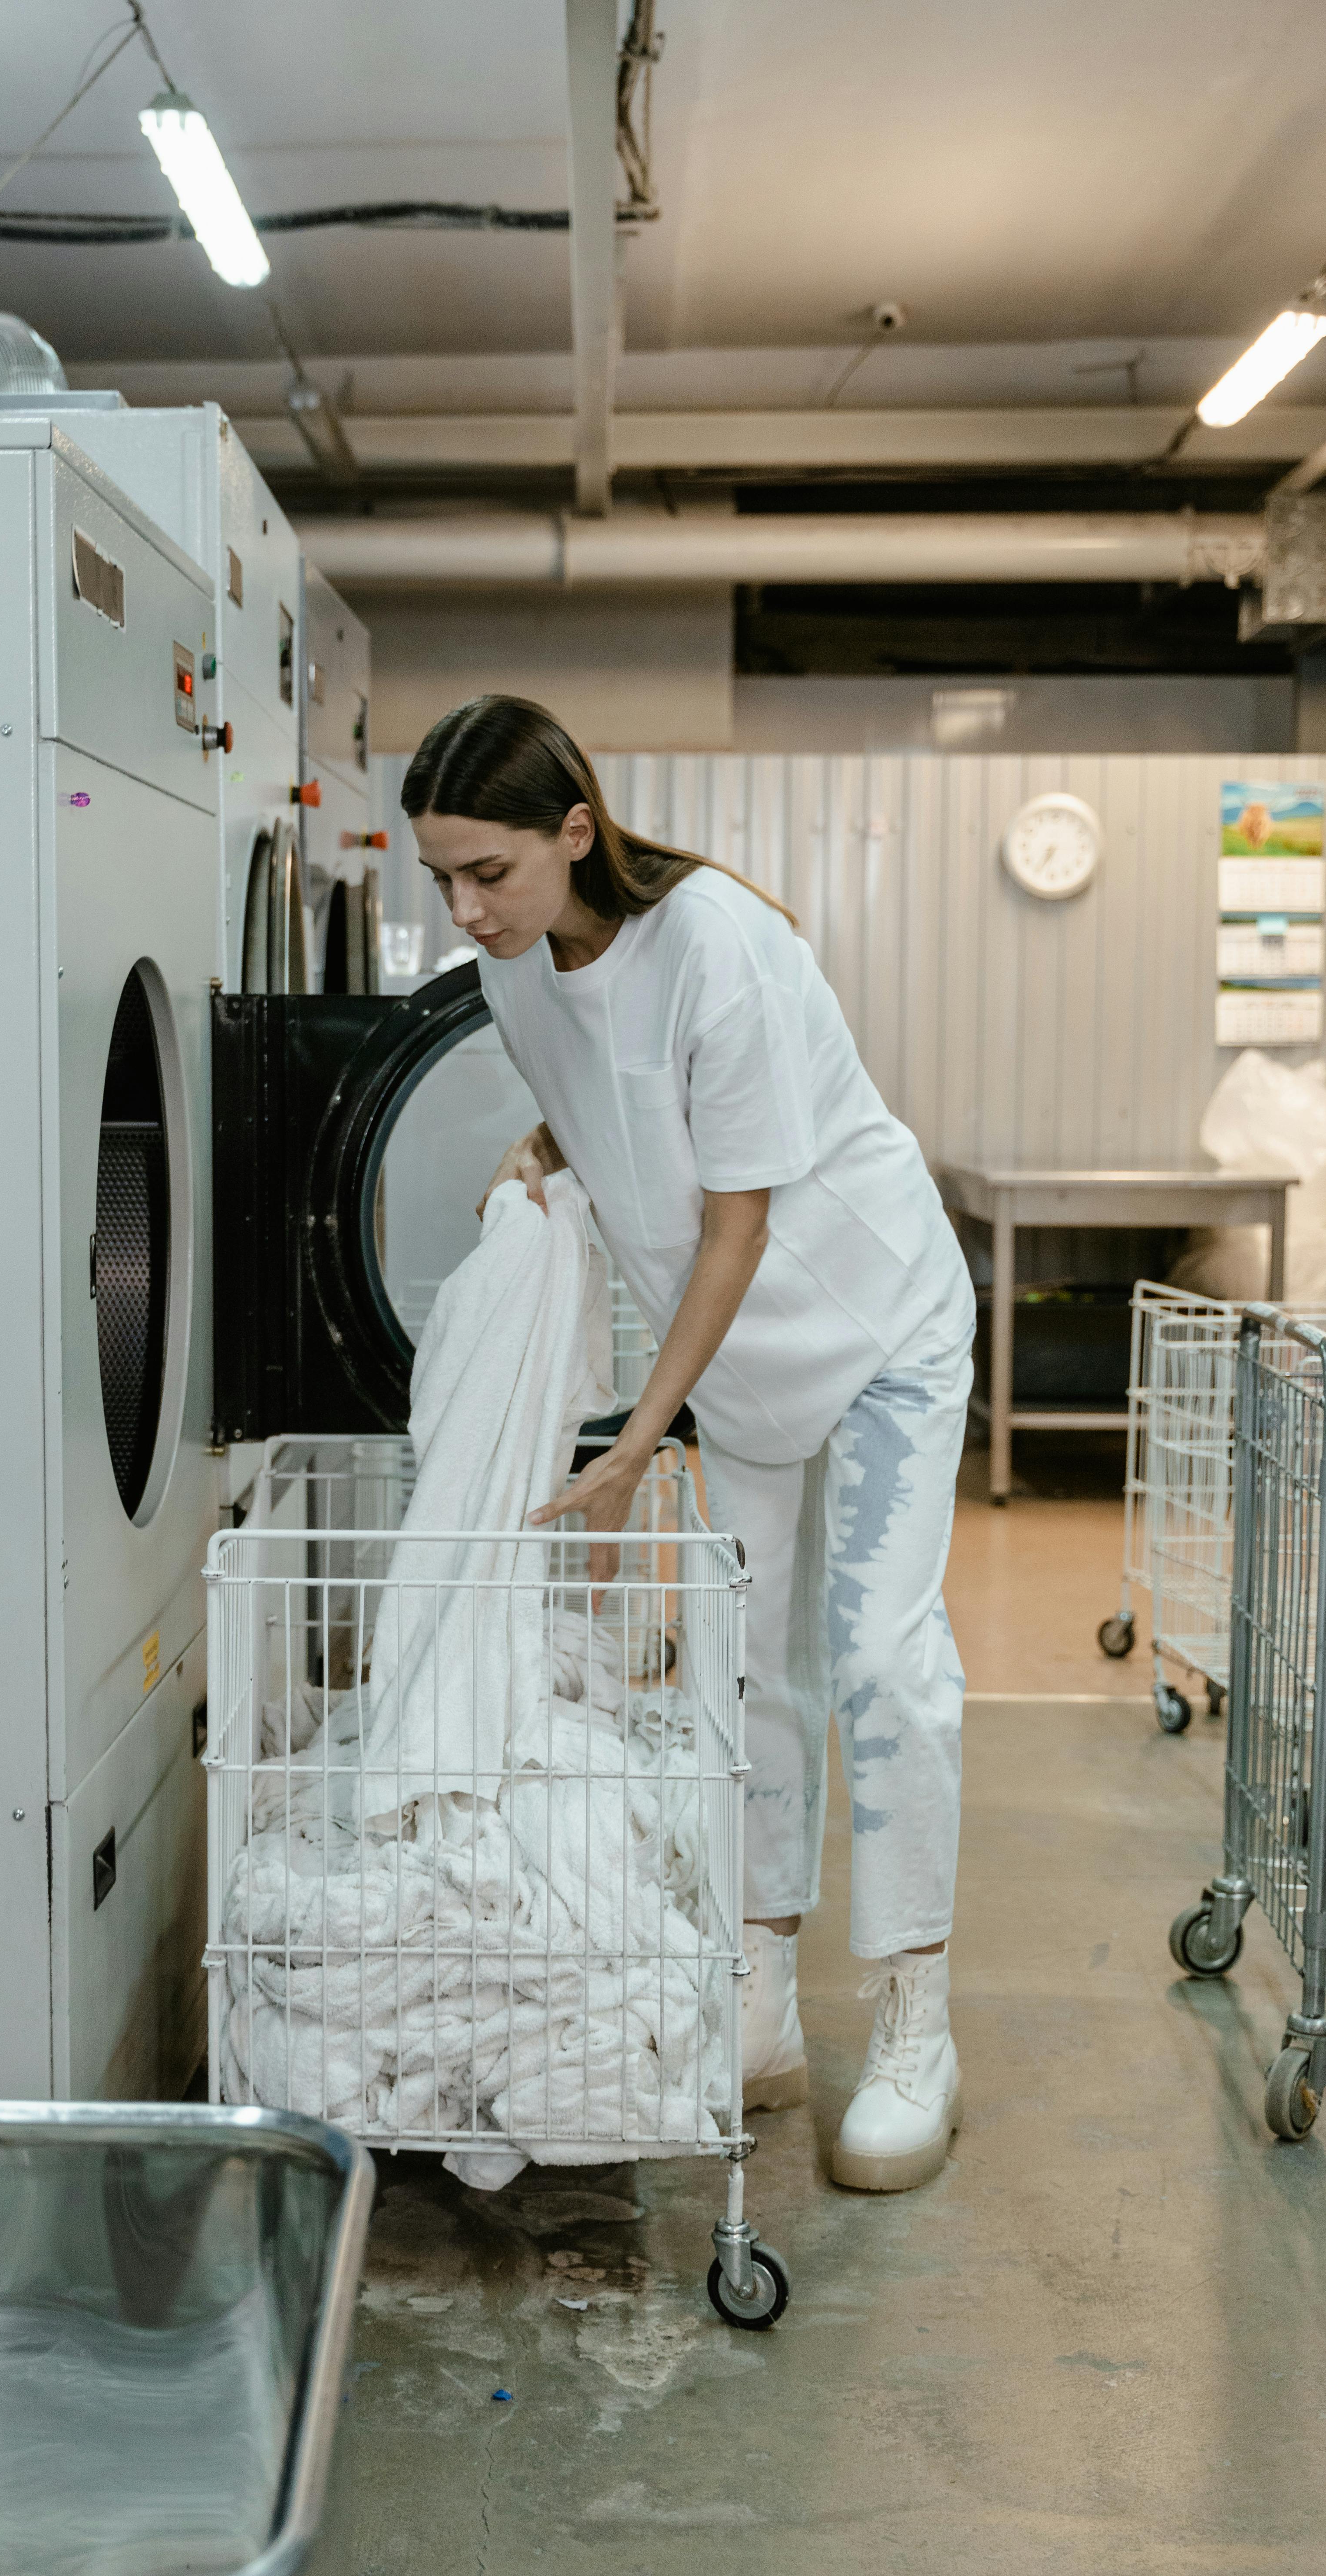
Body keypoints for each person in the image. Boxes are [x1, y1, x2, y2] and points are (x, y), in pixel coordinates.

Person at [402, 695, 977, 2194]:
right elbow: (600, 1116)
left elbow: (739, 1217)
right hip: (737, 1367)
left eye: (489, 874)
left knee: (880, 1661)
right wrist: (538, 1158)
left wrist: (634, 1442)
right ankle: (761, 2001)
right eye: (443, 880)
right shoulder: (517, 971)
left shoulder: (715, 941)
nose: (466, 909)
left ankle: (917, 2015)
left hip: (873, 1329)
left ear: (574, 832)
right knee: (751, 1678)